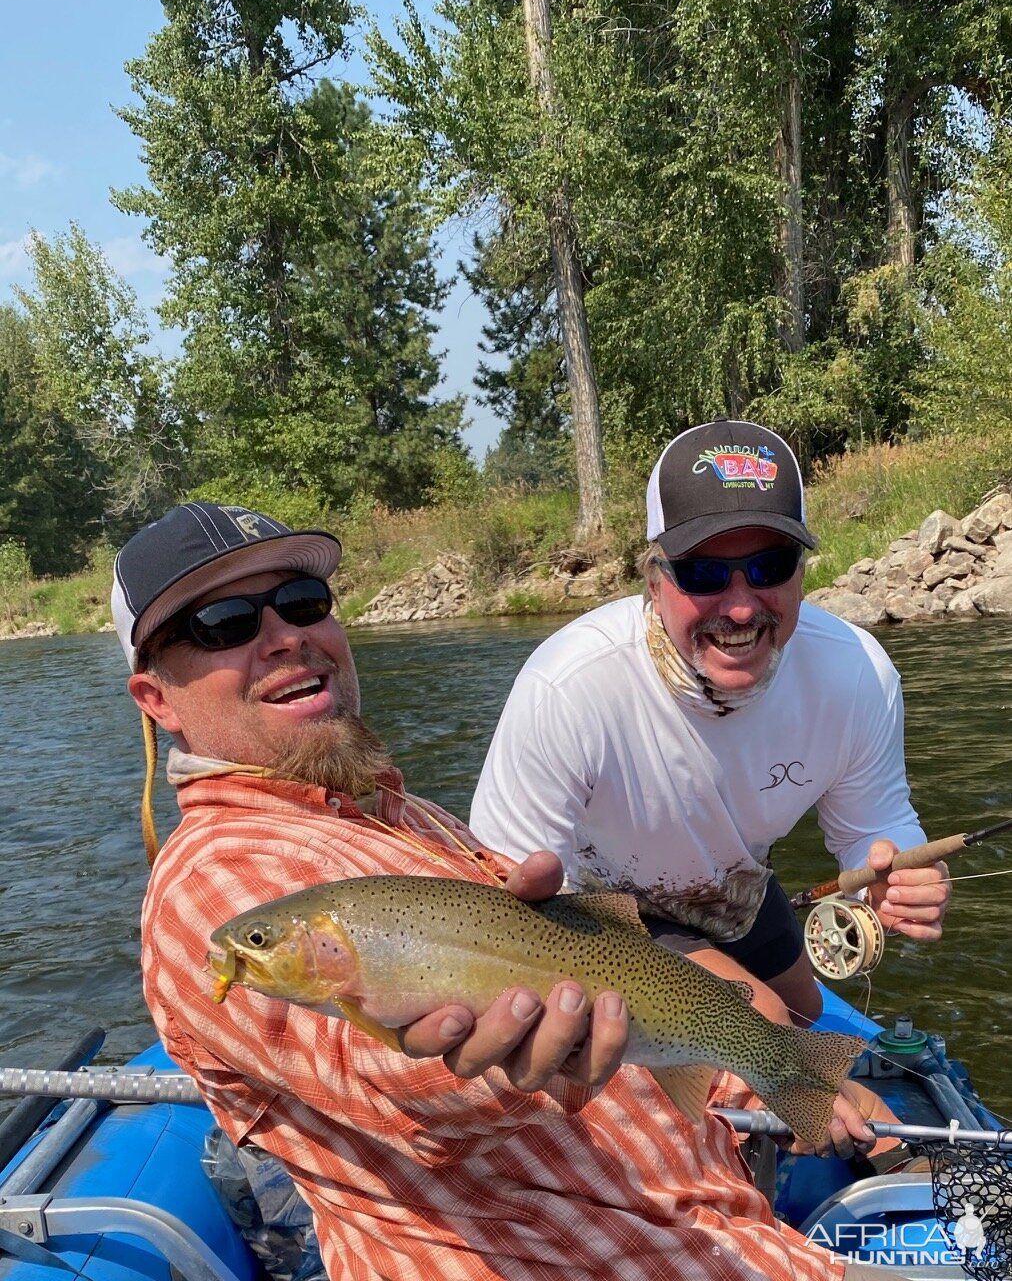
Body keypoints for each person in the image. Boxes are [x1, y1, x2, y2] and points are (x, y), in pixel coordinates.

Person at [115, 500, 896, 1281]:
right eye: (221, 623)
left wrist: (764, 1068)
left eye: (301, 603)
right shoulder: (214, 879)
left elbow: (598, 969)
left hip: (723, 1226)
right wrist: (463, 1062)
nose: (286, 636)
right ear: (156, 699)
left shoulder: (398, 815)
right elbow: (374, 1076)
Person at [470, 420, 951, 1026]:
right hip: (590, 913)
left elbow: (875, 829)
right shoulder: (567, 689)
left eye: (771, 565)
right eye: (704, 574)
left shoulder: (858, 675)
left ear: (803, 571)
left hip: (732, 895)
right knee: (768, 1029)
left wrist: (897, 879)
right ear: (654, 580)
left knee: (805, 1016)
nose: (743, 606)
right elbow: (505, 910)